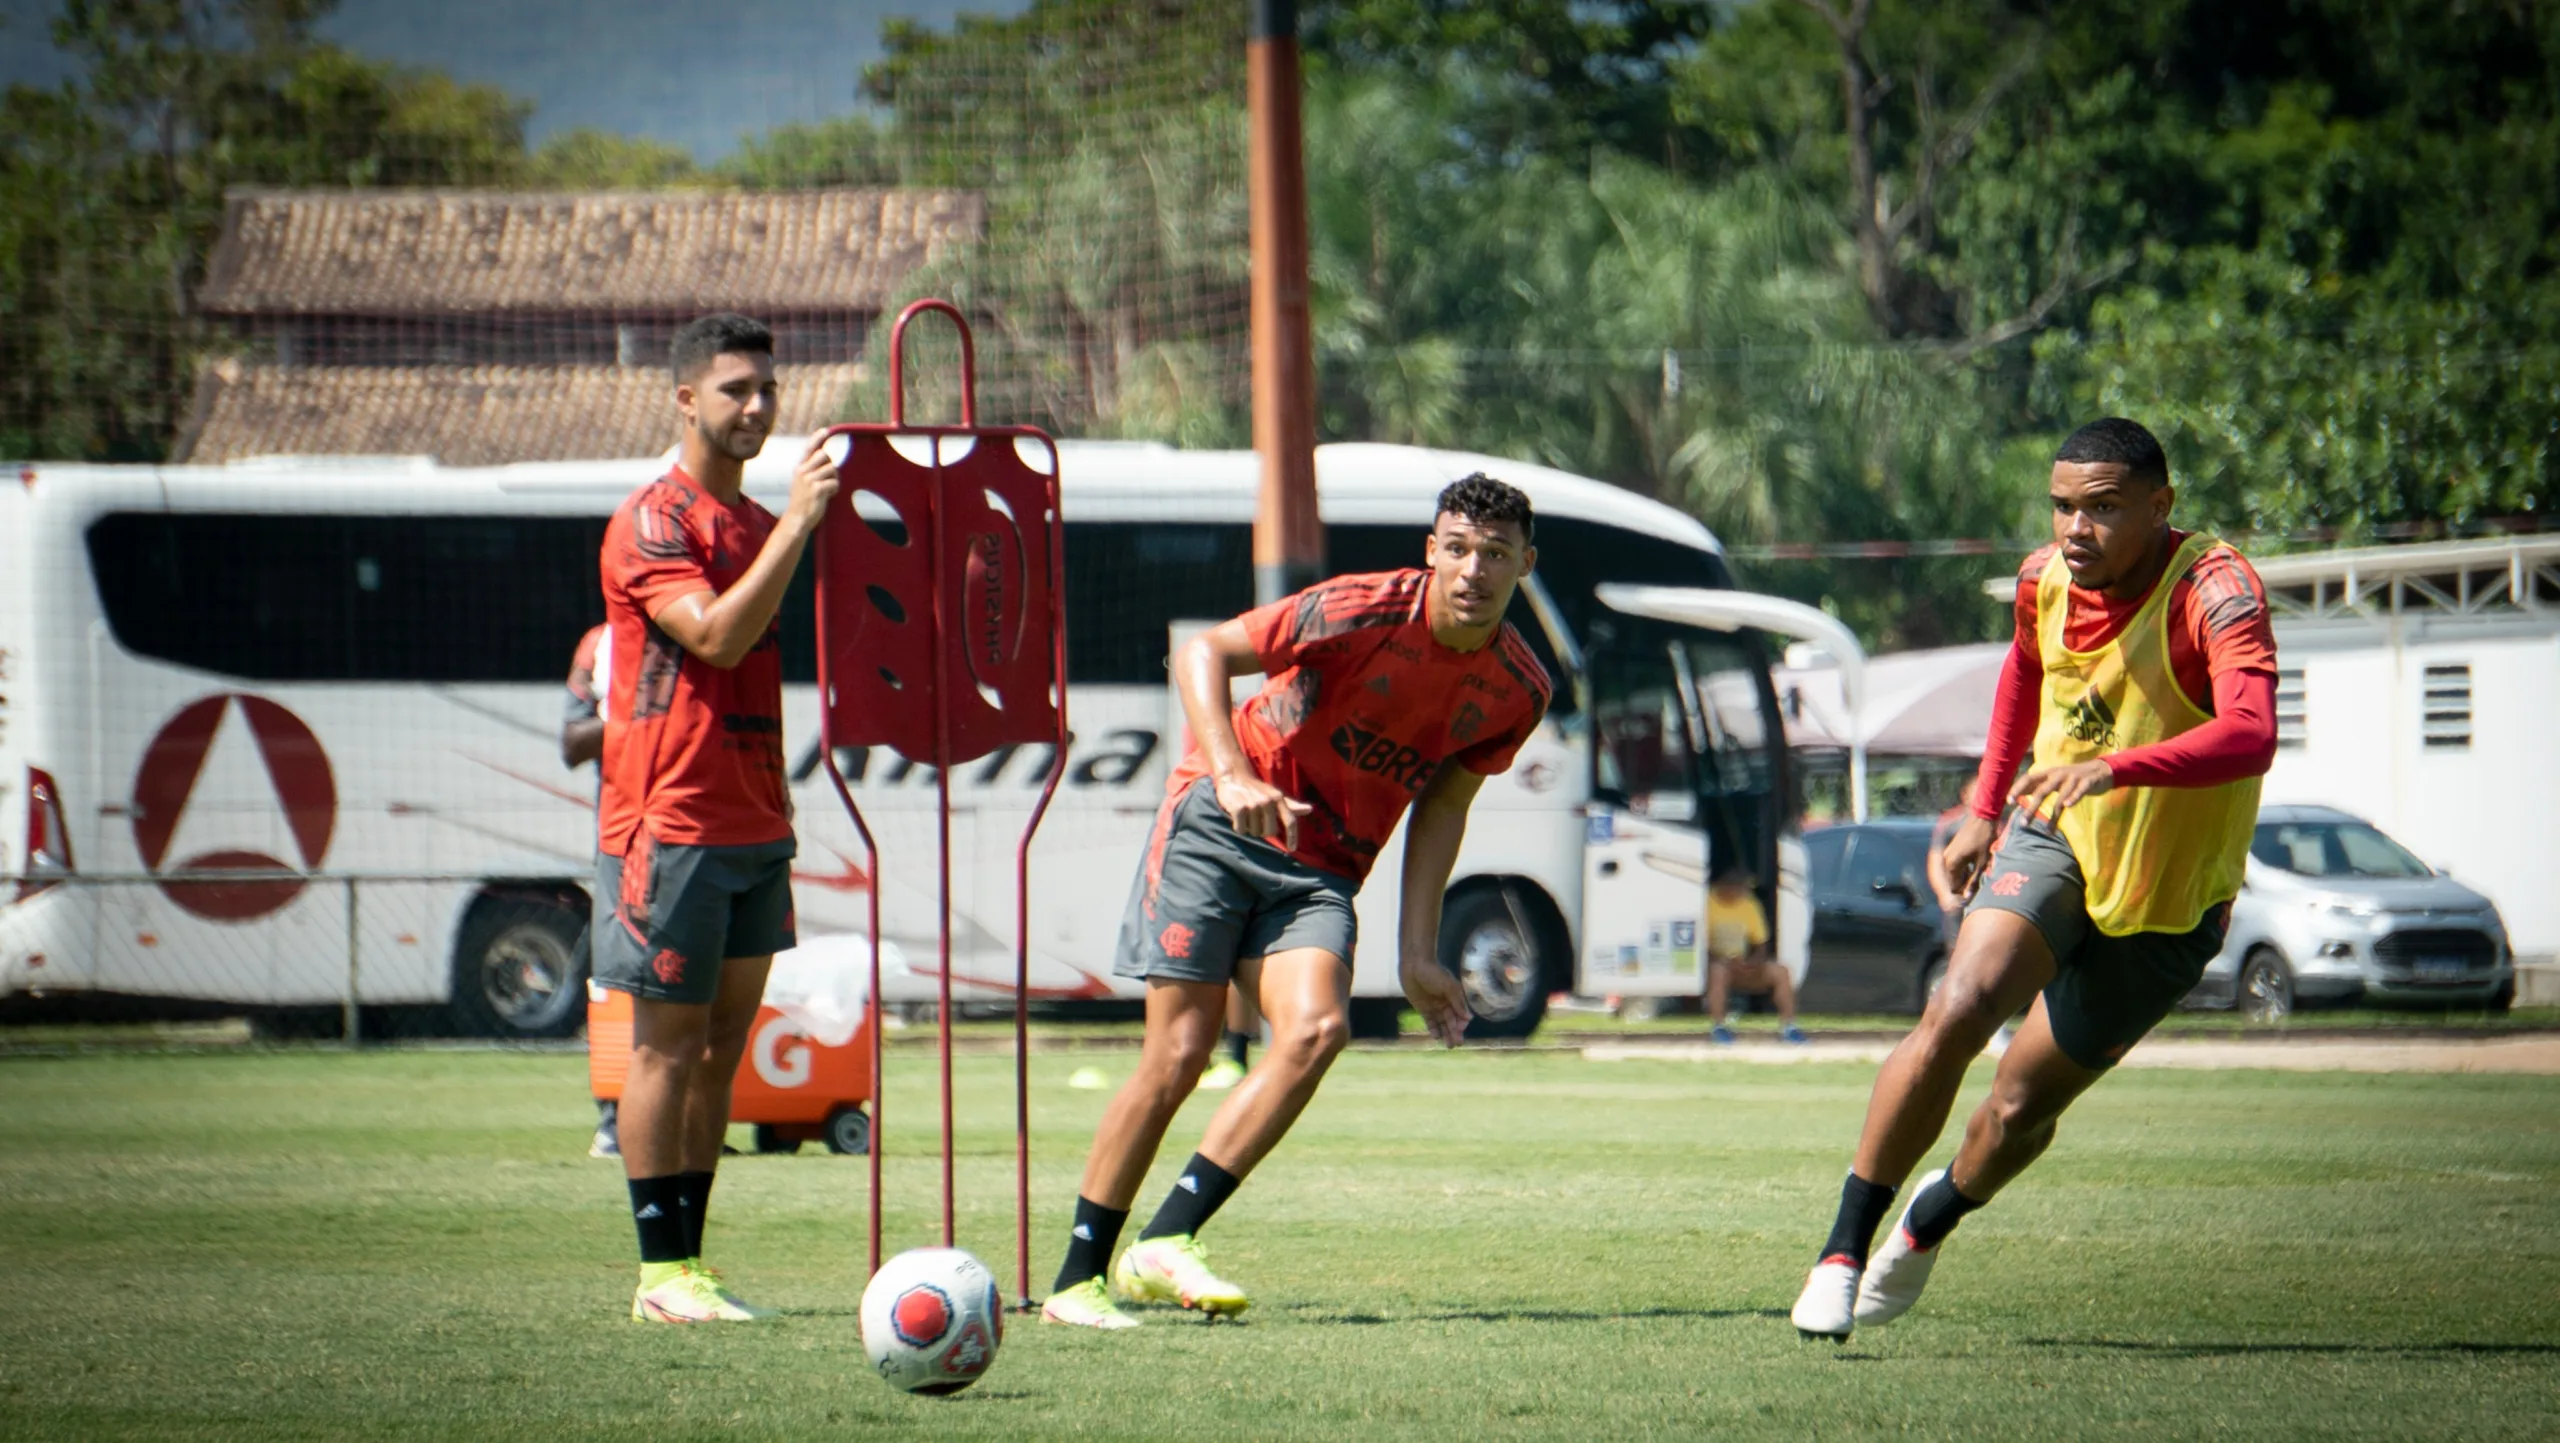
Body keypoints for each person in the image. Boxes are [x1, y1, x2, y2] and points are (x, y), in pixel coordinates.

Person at [1789, 417, 2277, 1341]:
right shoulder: (2040, 580)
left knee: (2017, 1107)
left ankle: (1930, 1220)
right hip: (2052, 835)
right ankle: (1841, 1250)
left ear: (2160, 506)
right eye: (2061, 506)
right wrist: (1982, 808)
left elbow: (2252, 733)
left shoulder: (2217, 590)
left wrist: (2118, 767)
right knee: (1960, 1004)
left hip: (2172, 897)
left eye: (2101, 509)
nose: (2074, 530)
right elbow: (2024, 668)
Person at [1039, 475, 1554, 1330]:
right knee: (1179, 1052)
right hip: (1217, 820)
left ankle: (1166, 1241)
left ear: (1525, 565)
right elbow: (1204, 651)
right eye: (1458, 548)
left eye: (1496, 553)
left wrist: (1419, 952)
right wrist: (1233, 773)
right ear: (1432, 550)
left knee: (1318, 1029)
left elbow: (1446, 803)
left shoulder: (1519, 690)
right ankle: (1076, 1279)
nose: (1474, 569)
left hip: (1322, 870)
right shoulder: (1357, 608)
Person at [595, 313, 838, 1325]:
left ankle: (691, 1266)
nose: (757, 406)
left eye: (766, 389)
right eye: (734, 389)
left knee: (719, 1051)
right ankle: (658, 1276)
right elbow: (715, 639)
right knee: (663, 1046)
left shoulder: (750, 524)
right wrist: (797, 525)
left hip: (753, 823)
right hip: (670, 821)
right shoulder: (656, 518)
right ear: (685, 400)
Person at [563, 622, 618, 1159]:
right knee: (619, 981)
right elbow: (572, 740)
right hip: (626, 847)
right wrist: (641, 719)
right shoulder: (601, 643)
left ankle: (690, 1128)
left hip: (701, 838)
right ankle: (615, 1122)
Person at [1704, 867, 1804, 1045]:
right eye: (1741, 887)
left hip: (1743, 963)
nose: (1745, 891)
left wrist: (1754, 962)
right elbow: (1700, 944)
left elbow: (1760, 943)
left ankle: (1790, 1027)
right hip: (1718, 964)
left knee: (1781, 971)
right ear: (1726, 887)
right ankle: (1719, 1026)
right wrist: (1722, 960)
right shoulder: (1707, 904)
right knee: (1717, 971)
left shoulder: (1749, 904)